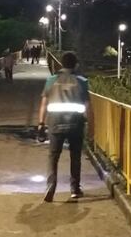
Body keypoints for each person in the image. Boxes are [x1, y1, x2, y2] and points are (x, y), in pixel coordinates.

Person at [37, 51, 91, 202]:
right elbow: (88, 106)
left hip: (55, 123)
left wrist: (41, 123)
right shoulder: (82, 80)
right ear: (76, 64)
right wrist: (92, 127)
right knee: (75, 157)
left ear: (61, 64)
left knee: (53, 157)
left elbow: (43, 104)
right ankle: (75, 189)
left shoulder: (51, 80)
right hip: (76, 124)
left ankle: (51, 187)